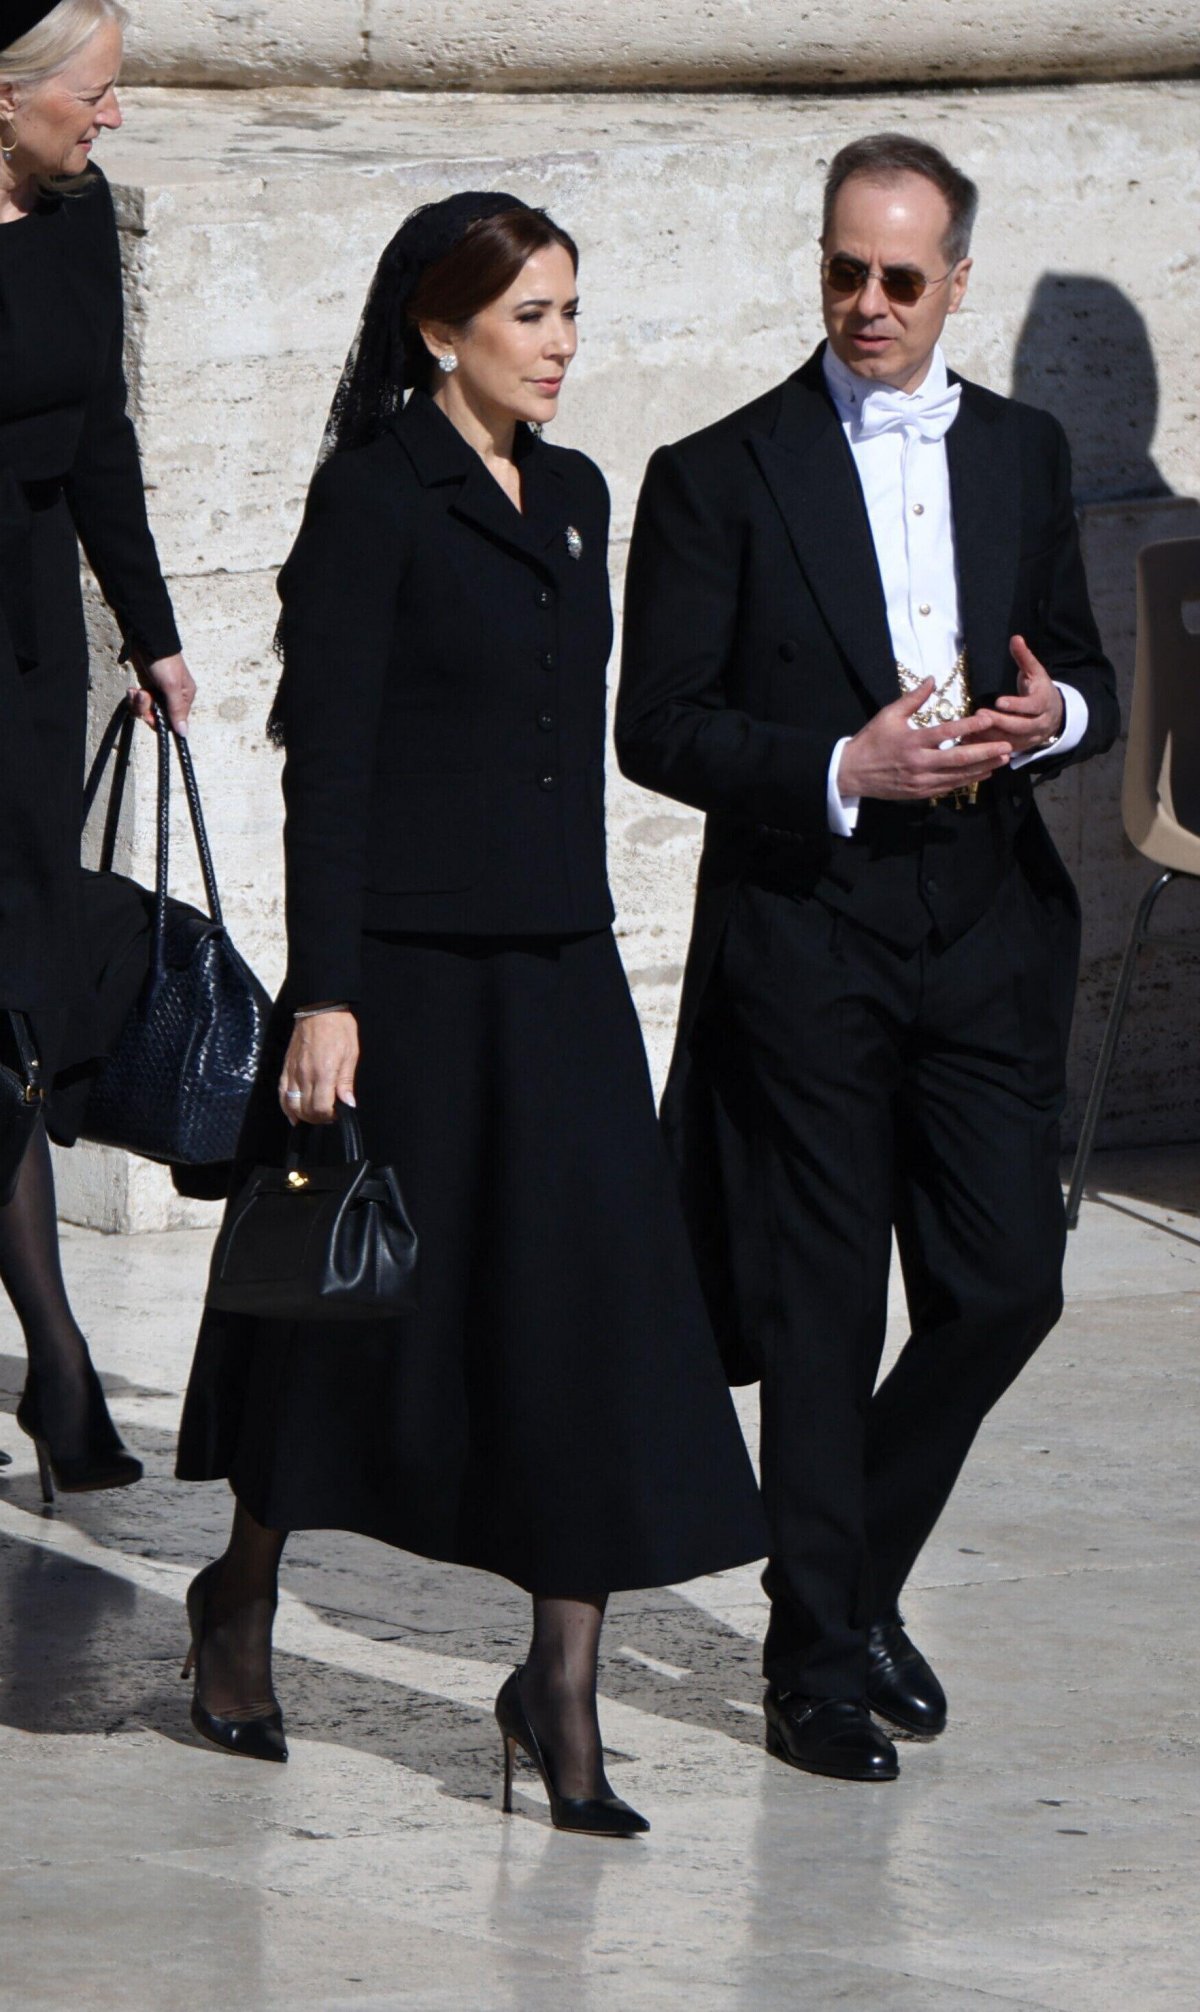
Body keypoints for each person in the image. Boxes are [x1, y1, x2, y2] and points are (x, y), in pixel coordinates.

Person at [175, 192, 766, 1836]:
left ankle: (560, 1693)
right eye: (532, 317)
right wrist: (329, 994)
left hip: (562, 975)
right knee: (336, 1311)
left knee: (584, 1321)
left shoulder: (577, 498)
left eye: (575, 312)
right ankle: (240, 1597)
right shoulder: (375, 501)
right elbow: (333, 768)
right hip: (407, 983)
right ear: (443, 329)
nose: (565, 347)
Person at [616, 133, 1119, 1783]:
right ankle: (816, 1663)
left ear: (957, 281)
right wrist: (840, 768)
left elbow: (1083, 667)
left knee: (1004, 1290)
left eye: (903, 277)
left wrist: (1057, 721)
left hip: (983, 930)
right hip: (808, 938)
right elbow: (660, 725)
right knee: (821, 1317)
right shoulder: (717, 470)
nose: (868, 303)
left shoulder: (1030, 453)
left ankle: (846, 1571)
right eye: (844, 269)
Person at [0, 0, 195, 1496]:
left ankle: (56, 1371)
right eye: (95, 91)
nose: (110, 116)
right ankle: (60, 1367)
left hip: (27, 648)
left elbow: (107, 438)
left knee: (15, 996)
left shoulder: (77, 220)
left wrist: (152, 629)